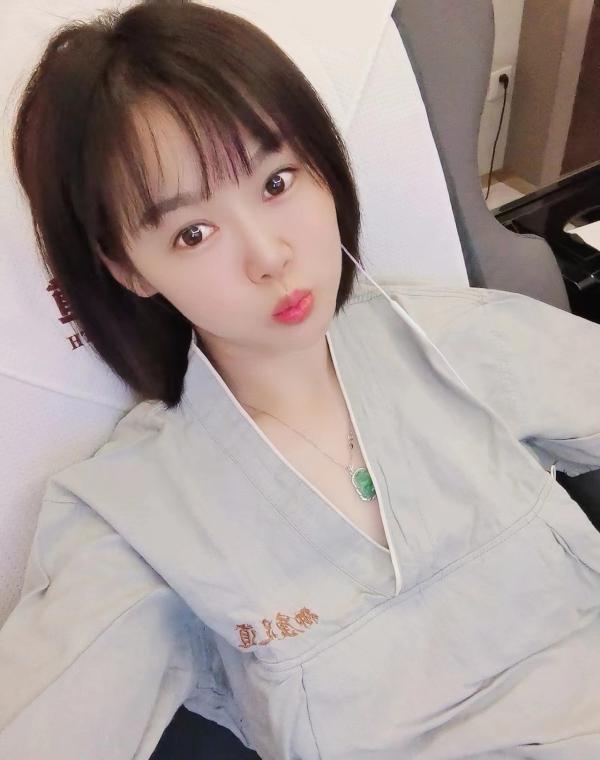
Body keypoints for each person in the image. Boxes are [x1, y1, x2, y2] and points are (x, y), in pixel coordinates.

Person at [1, 1, 600, 758]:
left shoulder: (459, 339)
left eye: (277, 182)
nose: (268, 255)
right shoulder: (133, 514)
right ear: (128, 269)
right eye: (193, 232)